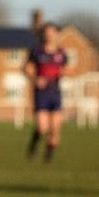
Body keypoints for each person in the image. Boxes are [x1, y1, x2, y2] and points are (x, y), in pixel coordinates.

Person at [24, 21, 68, 162]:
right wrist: (35, 78)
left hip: (55, 93)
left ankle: (49, 156)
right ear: (43, 35)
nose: (49, 35)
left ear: (56, 35)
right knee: (42, 127)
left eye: (52, 32)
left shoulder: (61, 53)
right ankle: (34, 143)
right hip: (41, 94)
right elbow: (26, 69)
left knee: (55, 128)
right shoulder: (36, 52)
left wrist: (65, 72)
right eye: (46, 32)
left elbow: (68, 70)